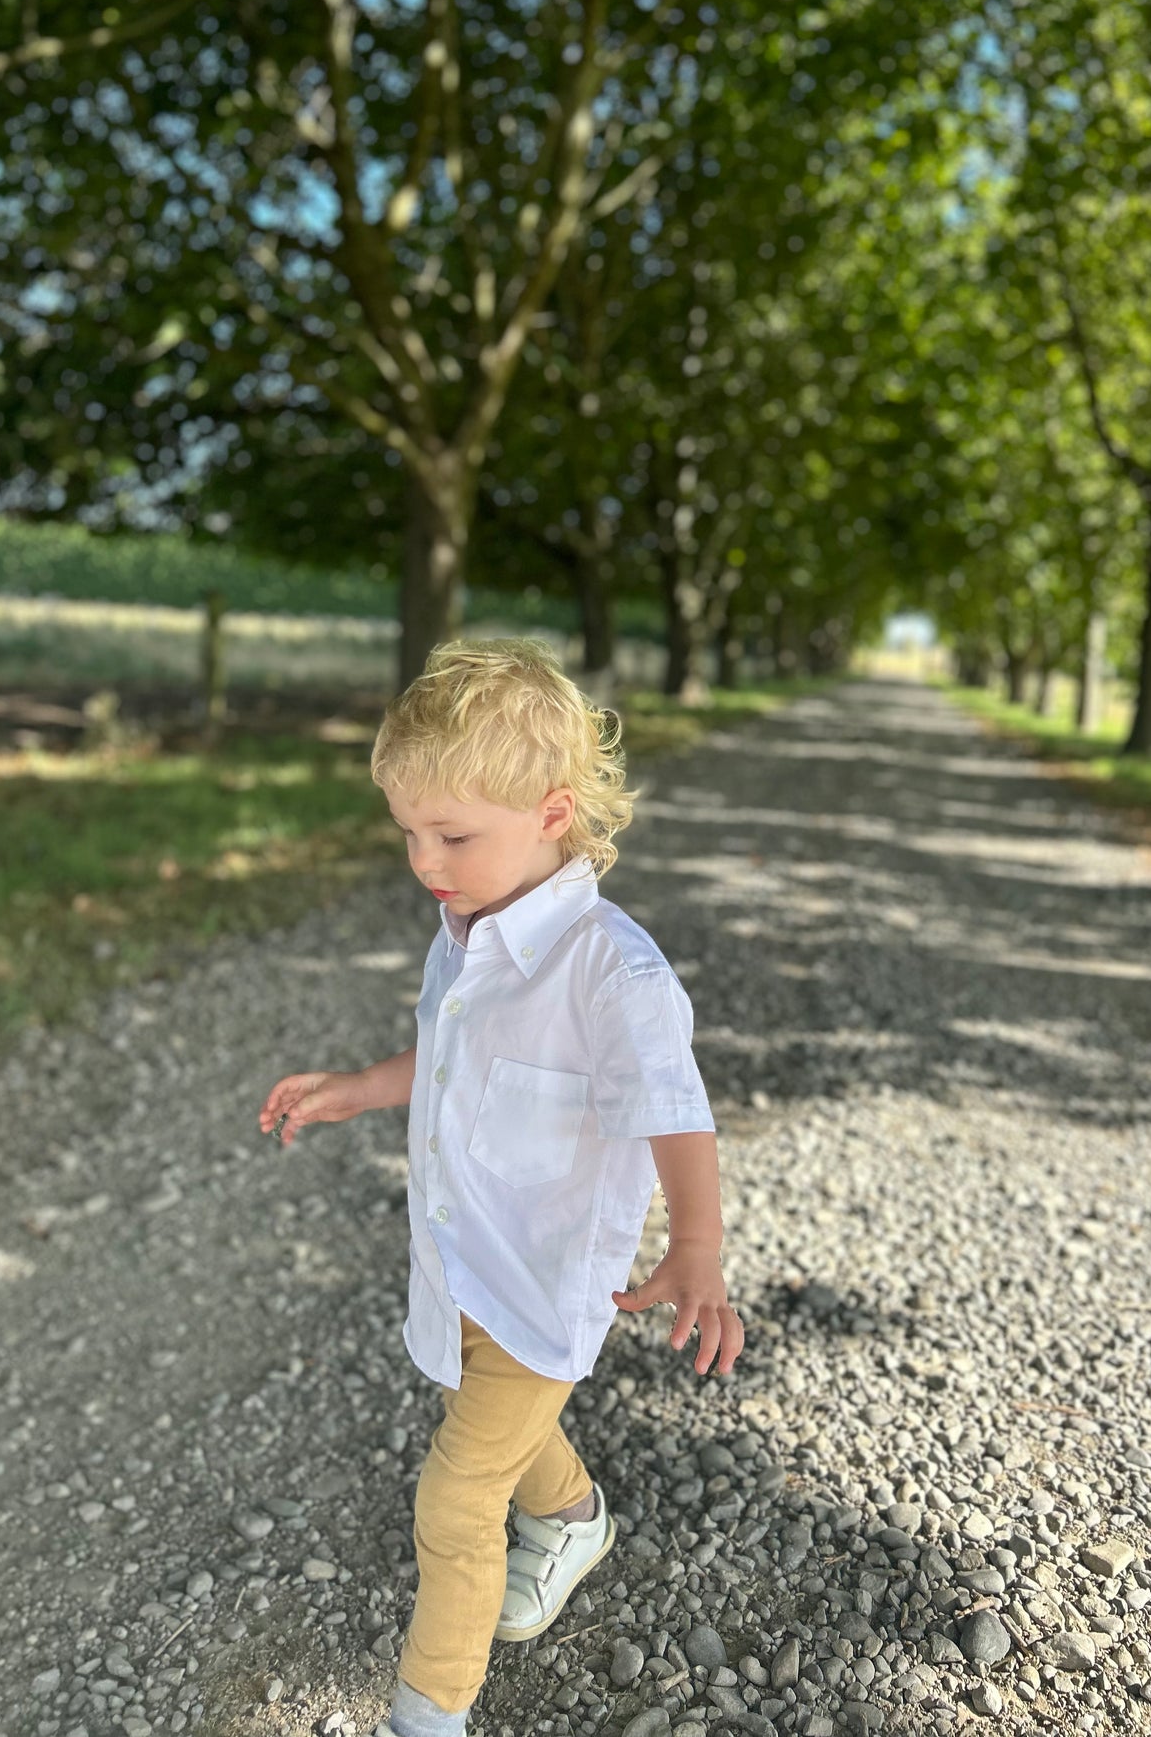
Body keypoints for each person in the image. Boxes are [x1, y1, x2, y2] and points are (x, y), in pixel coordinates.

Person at [258, 637, 744, 1737]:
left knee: (457, 1493)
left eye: (453, 835)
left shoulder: (607, 970)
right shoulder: (465, 927)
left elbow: (672, 1103)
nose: (425, 861)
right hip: (459, 1260)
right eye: (411, 834)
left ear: (552, 813)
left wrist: (698, 1244)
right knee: (479, 1420)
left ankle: (426, 1713)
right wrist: (360, 1087)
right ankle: (571, 1515)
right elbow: (449, 1055)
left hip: (534, 1283)